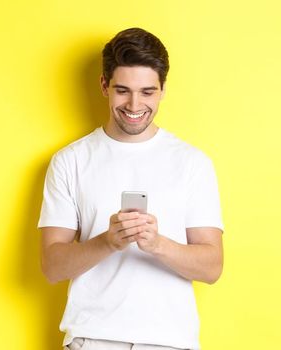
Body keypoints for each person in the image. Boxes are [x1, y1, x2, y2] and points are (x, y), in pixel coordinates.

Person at [38, 27, 224, 350]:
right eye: (122, 90)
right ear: (103, 85)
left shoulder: (193, 163)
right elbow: (52, 266)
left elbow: (212, 267)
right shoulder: (70, 161)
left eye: (147, 92)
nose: (135, 104)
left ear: (163, 89)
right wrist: (108, 242)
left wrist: (157, 244)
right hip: (94, 340)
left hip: (169, 343)